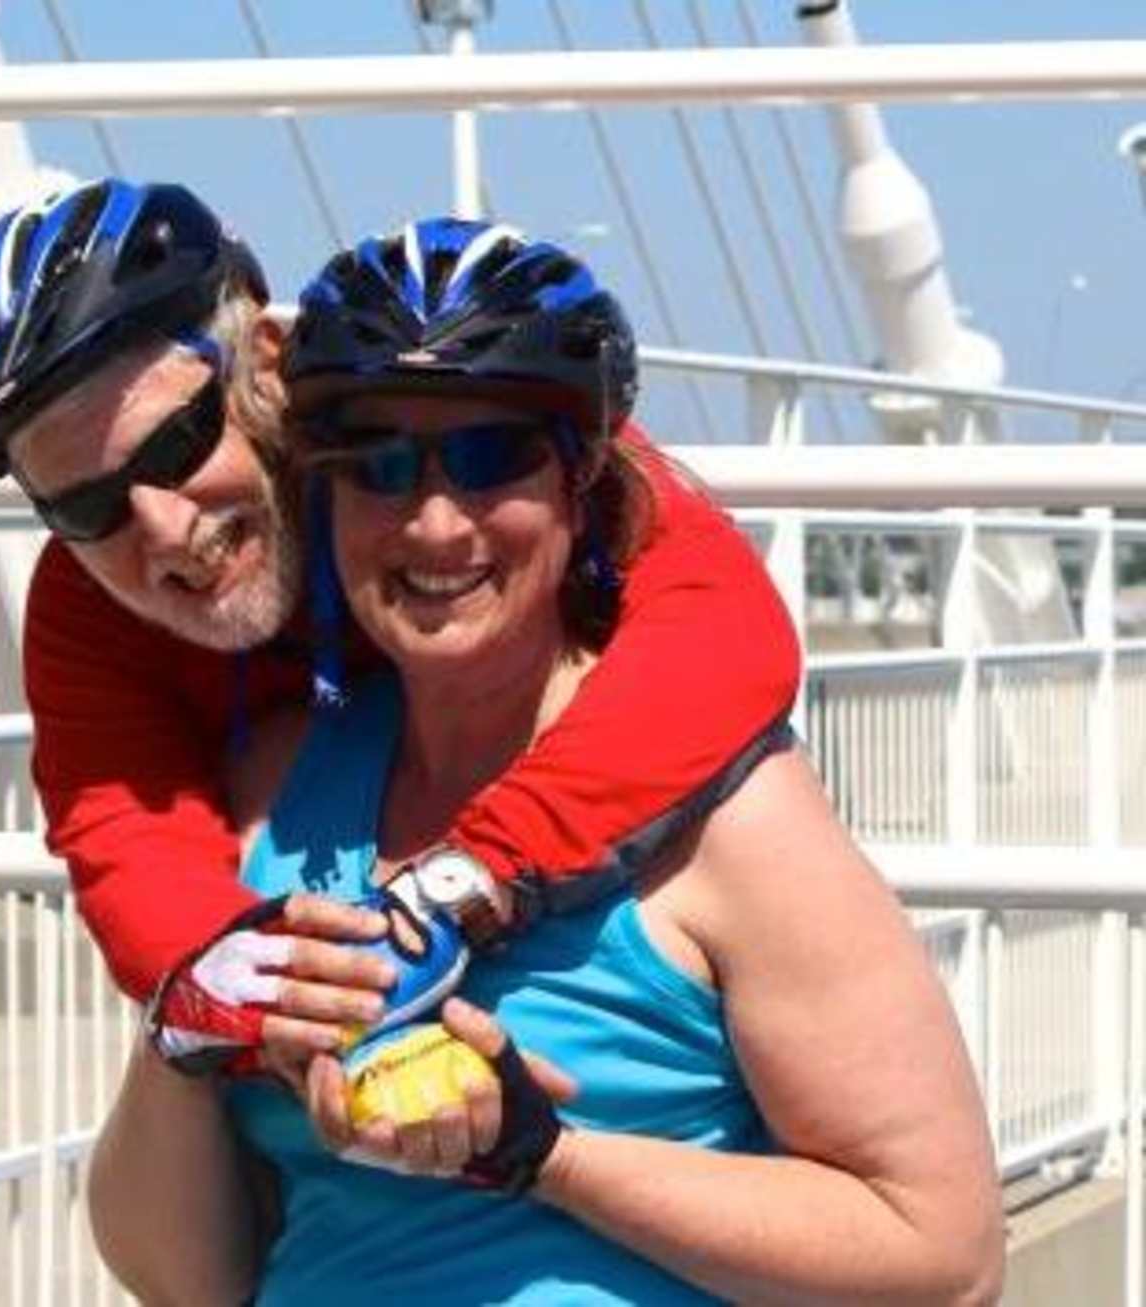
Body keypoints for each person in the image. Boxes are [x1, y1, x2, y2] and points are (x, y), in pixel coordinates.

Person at [88, 218, 1003, 1306]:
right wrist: (185, 1035)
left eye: (490, 458)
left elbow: (945, 1257)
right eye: (378, 464)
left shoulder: (735, 819)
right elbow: (180, 1280)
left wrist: (544, 1154)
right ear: (323, 494)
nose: (436, 524)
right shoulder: (274, 794)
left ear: (579, 483)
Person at [0, 178, 800, 1072]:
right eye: (86, 505)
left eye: (176, 444)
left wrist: (468, 877)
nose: (164, 527)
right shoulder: (86, 601)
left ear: (266, 360)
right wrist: (264, 993)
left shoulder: (455, 414)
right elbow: (122, 831)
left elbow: (722, 637)